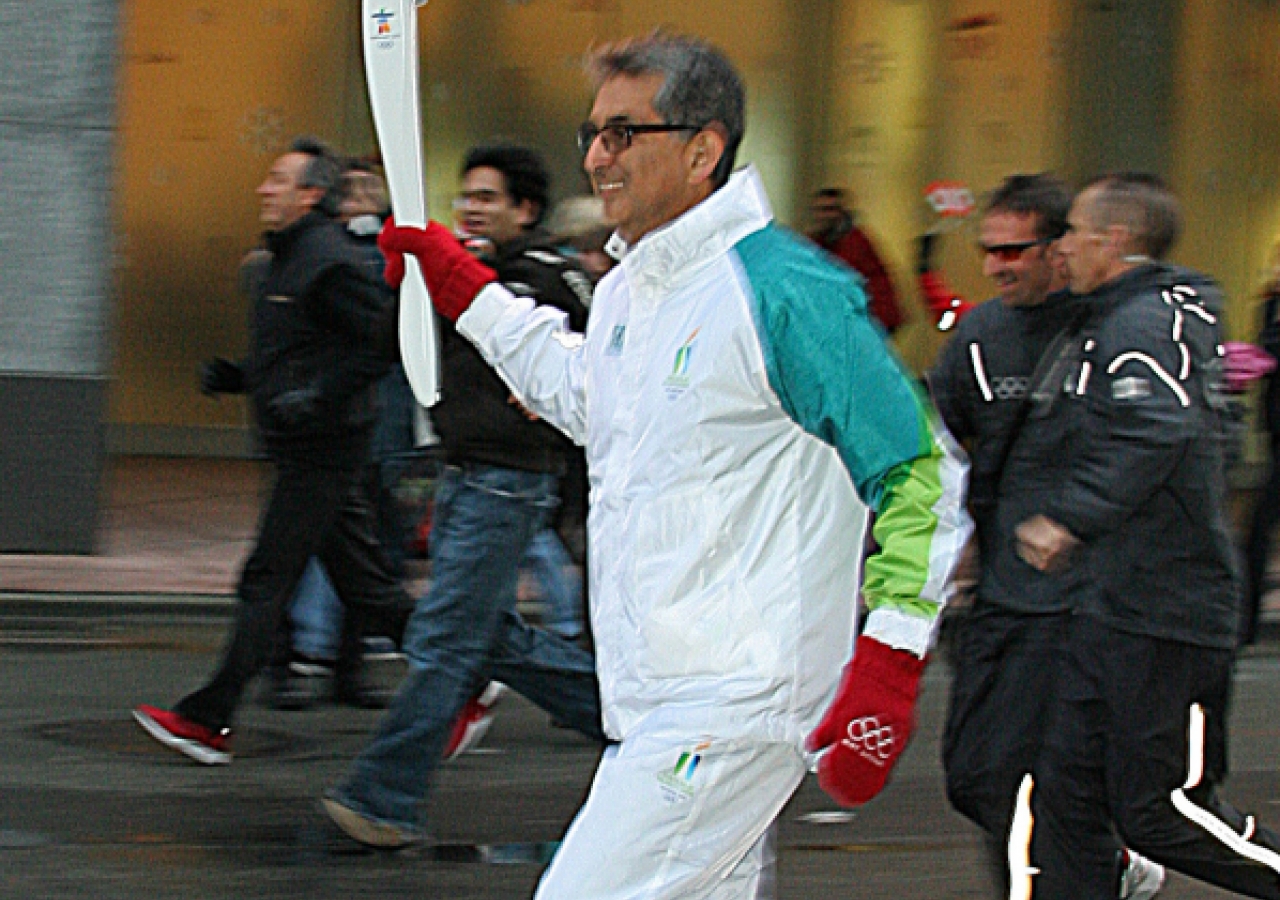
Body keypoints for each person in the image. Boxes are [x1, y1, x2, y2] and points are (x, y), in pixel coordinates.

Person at [327, 33, 971, 898]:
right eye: (592, 133)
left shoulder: (784, 289)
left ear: (704, 148)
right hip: (653, 693)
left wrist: (889, 665)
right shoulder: (637, 287)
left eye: (626, 133)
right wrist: (464, 290)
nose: (598, 157)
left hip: (736, 701)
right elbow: (590, 400)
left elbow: (919, 469)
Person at [320, 140, 603, 844]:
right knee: (480, 633)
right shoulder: (480, 274)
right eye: (465, 197)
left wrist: (449, 271)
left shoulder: (546, 275)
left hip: (512, 481)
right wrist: (404, 280)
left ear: (525, 209)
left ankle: (382, 798)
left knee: (445, 639)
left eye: (487, 198)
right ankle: (630, 712)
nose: (471, 208)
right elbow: (402, 345)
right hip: (466, 472)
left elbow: (557, 346)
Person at [1010, 174, 1280, 899]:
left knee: (1164, 811)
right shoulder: (1119, 319)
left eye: (1072, 232)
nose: (1060, 247)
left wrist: (1070, 517)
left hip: (1167, 614)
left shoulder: (1143, 327)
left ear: (1114, 240)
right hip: (1111, 603)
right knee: (1065, 786)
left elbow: (1157, 429)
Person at [132, 136, 414, 763]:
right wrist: (240, 375)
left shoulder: (329, 260)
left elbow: (379, 345)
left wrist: (317, 397)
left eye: (279, 180)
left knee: (267, 578)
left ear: (312, 194)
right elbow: (297, 349)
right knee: (370, 592)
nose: (264, 189)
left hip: (324, 447)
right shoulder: (281, 260)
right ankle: (474, 673)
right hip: (302, 444)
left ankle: (208, 719)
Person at [929, 174, 1164, 899]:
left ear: (1062, 247)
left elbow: (1152, 449)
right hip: (998, 596)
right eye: (989, 250)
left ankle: (1087, 871)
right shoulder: (977, 336)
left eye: (1015, 250)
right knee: (972, 775)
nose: (998, 265)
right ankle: (1112, 861)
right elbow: (942, 445)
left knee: (1030, 790)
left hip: (1082, 606)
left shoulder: (1114, 327)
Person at [1242, 249, 1280, 646]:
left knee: (1260, 525)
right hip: (1276, 433)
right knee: (1259, 528)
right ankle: (1247, 619)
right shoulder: (1270, 306)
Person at [809, 186, 906, 333]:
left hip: (862, 323)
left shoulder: (855, 245)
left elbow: (876, 286)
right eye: (821, 210)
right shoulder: (816, 244)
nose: (824, 216)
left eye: (830, 209)